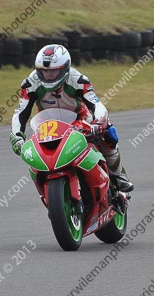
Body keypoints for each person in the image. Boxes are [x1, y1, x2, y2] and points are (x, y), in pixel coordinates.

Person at [9, 44, 133, 193]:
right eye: (43, 71)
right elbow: (21, 112)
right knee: (35, 151)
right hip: (48, 125)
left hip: (80, 120)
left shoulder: (78, 80)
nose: (48, 76)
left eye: (53, 72)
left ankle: (119, 176)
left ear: (64, 68)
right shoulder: (30, 83)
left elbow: (96, 104)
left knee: (109, 134)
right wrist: (17, 136)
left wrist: (99, 122)